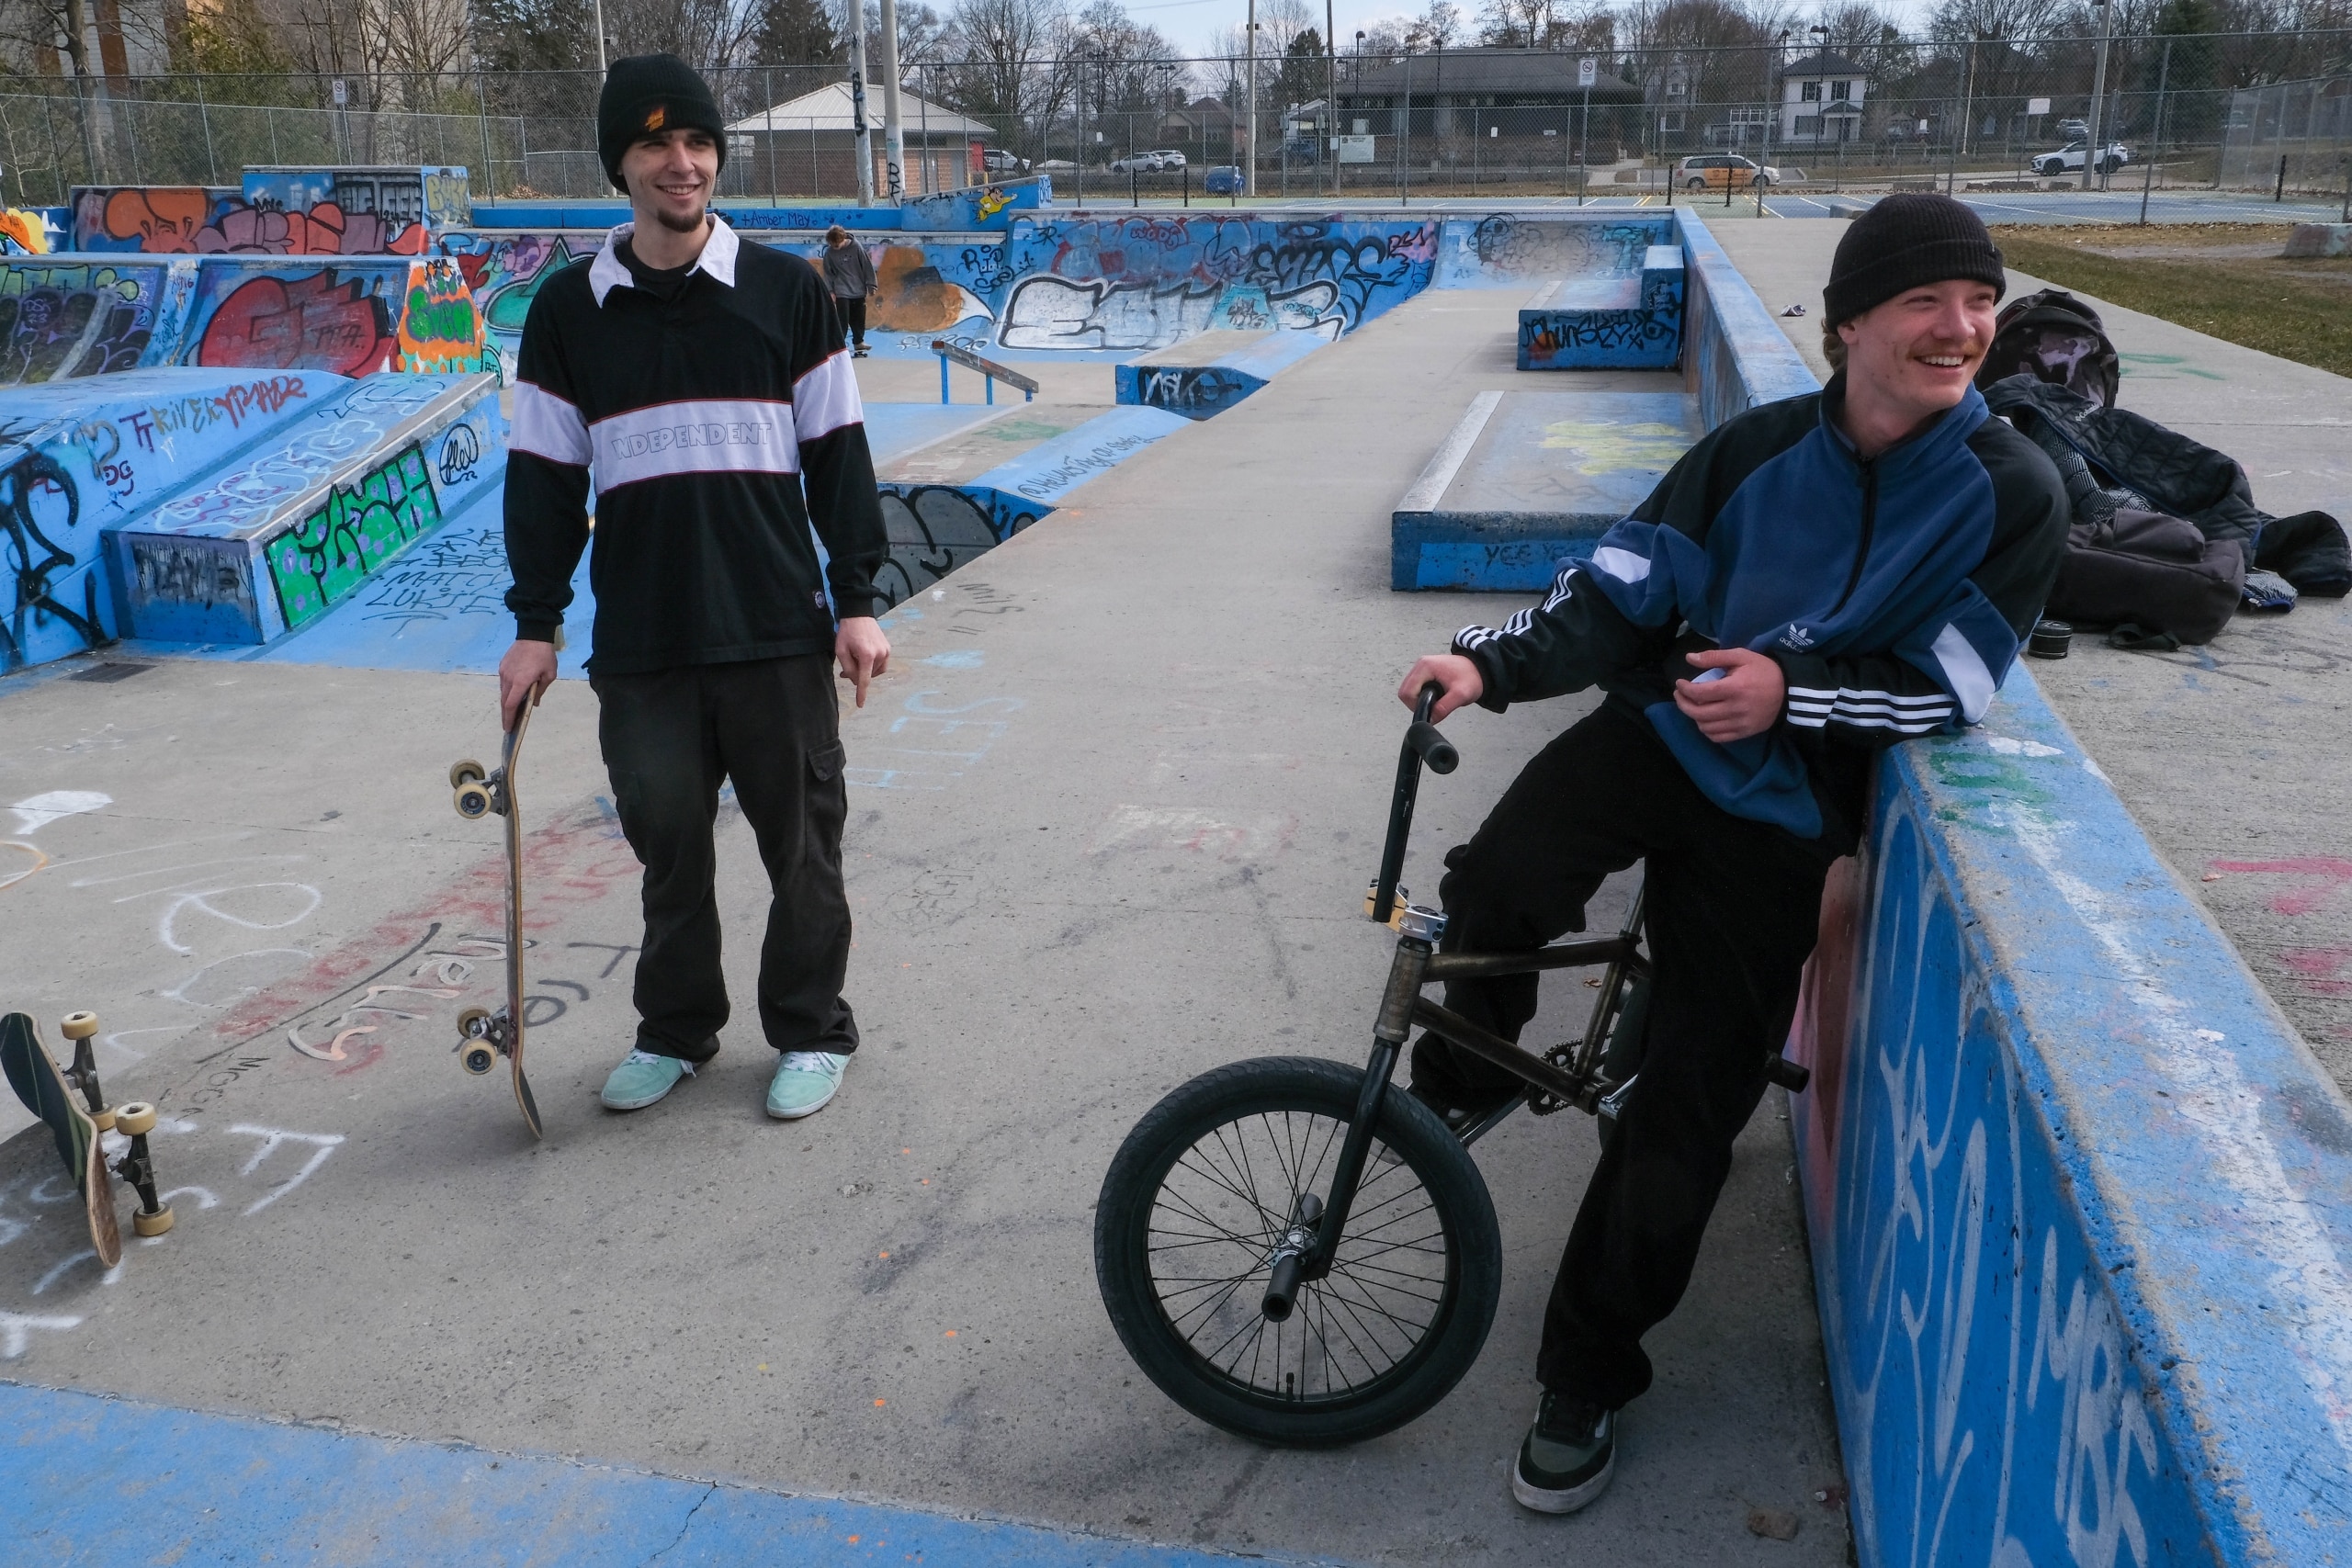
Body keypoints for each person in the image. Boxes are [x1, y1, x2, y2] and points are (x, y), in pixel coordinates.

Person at [1395, 195, 2068, 1516]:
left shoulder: (2014, 492)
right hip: (1662, 726)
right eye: (1929, 300)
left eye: (1980, 300)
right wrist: (1481, 664)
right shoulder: (1756, 450)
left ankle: (1587, 1370)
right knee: (1500, 878)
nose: (1964, 326)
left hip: (1784, 808)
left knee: (1684, 1116)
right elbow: (1615, 590)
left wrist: (1792, 690)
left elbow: (1949, 688)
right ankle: (1469, 1063)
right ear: (1851, 323)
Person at [499, 53, 891, 1123]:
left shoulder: (784, 292)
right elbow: (542, 480)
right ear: (620, 164)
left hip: (773, 629)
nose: (682, 163)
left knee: (802, 854)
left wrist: (855, 600)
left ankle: (811, 1030)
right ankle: (676, 1031)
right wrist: (534, 627)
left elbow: (840, 457)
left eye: (699, 143)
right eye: (656, 144)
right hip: (644, 642)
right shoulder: (569, 311)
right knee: (667, 856)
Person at [822, 225, 876, 358]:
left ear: (843, 239)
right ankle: (838, 346)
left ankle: (859, 343)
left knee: (859, 319)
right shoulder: (829, 253)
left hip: (858, 289)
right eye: (832, 245)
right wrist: (830, 291)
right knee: (842, 319)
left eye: (837, 244)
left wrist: (872, 285)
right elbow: (828, 274)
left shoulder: (856, 247)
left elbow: (867, 266)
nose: (835, 247)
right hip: (841, 290)